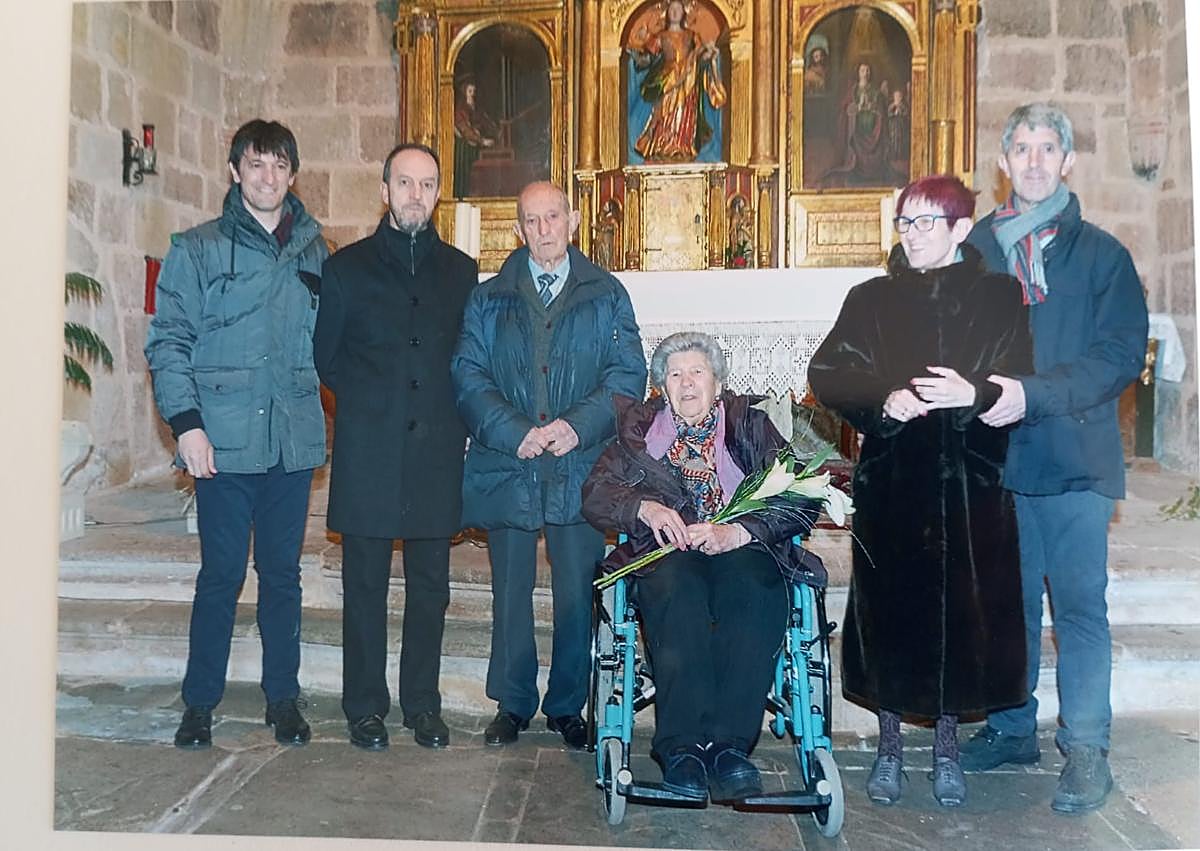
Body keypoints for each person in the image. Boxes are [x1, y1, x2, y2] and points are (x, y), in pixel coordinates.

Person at [807, 175, 1034, 807]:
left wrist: (978, 393)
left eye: (924, 222)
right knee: (892, 613)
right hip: (896, 481)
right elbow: (827, 372)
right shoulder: (871, 297)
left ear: (961, 228)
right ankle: (887, 747)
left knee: (964, 617)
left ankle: (946, 748)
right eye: (904, 222)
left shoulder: (998, 296)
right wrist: (885, 398)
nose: (909, 234)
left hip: (972, 484)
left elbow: (1022, 376)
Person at [958, 103, 1149, 815]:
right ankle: (1011, 726)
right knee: (1005, 607)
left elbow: (1120, 355)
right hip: (999, 463)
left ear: (1067, 162)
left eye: (1048, 149)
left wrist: (1032, 394)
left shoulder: (1103, 255)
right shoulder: (976, 247)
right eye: (1022, 149)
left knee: (1077, 610)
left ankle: (1087, 747)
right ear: (1003, 162)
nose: (1035, 161)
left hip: (1075, 461)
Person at [145, 119, 328, 750]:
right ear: (234, 172)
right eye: (256, 165)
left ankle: (284, 699)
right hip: (220, 443)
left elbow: (335, 343)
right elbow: (168, 342)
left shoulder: (316, 251)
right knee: (221, 574)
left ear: (292, 175)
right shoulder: (197, 249)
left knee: (282, 575)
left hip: (290, 442)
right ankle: (200, 702)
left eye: (280, 165)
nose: (268, 177)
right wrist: (187, 428)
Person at [581, 332, 826, 803]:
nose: (687, 383)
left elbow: (799, 494)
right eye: (675, 374)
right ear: (661, 386)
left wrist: (740, 531)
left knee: (755, 592)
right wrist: (645, 511)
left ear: (718, 383)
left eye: (698, 373)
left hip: (740, 546)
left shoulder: (750, 427)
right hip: (668, 553)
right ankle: (684, 751)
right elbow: (594, 493)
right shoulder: (638, 433)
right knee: (679, 594)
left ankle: (731, 748)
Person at [451, 181, 647, 749]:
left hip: (579, 463)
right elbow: (467, 374)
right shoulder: (488, 298)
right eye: (531, 221)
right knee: (509, 590)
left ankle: (567, 704)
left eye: (553, 218)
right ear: (518, 230)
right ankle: (512, 703)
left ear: (574, 221)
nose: (543, 230)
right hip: (510, 462)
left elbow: (627, 374)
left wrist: (575, 426)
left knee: (576, 591)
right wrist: (516, 432)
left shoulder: (607, 294)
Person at [313, 143, 477, 751]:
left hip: (435, 451)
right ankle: (365, 707)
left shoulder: (460, 272)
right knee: (365, 585)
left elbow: (468, 358)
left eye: (426, 184)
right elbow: (326, 357)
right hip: (370, 451)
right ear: (384, 190)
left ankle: (423, 705)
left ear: (438, 193)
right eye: (403, 182)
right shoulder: (347, 269)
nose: (415, 194)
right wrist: (371, 407)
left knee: (431, 585)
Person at [628, 0, 727, 161]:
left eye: (678, 9)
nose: (674, 12)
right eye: (672, 9)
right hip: (667, 79)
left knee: (685, 112)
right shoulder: (660, 36)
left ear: (684, 13)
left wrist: (710, 55)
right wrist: (636, 54)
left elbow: (700, 57)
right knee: (664, 112)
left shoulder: (692, 36)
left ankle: (683, 147)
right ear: (667, 13)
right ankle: (663, 146)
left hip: (688, 79)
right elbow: (647, 59)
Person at [822, 61, 888, 187]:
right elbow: (845, 108)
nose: (865, 73)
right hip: (857, 126)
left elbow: (881, 110)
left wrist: (872, 108)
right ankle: (856, 170)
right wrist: (855, 108)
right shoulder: (853, 91)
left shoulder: (876, 92)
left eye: (867, 70)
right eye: (863, 70)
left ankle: (874, 172)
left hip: (872, 126)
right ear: (858, 73)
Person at [452, 80, 496, 198]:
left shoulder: (475, 108)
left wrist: (493, 130)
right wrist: (482, 141)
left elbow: (483, 121)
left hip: (474, 147)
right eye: (470, 91)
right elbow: (465, 130)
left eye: (473, 91)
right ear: (464, 93)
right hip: (464, 150)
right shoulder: (461, 110)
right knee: (466, 176)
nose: (472, 94)